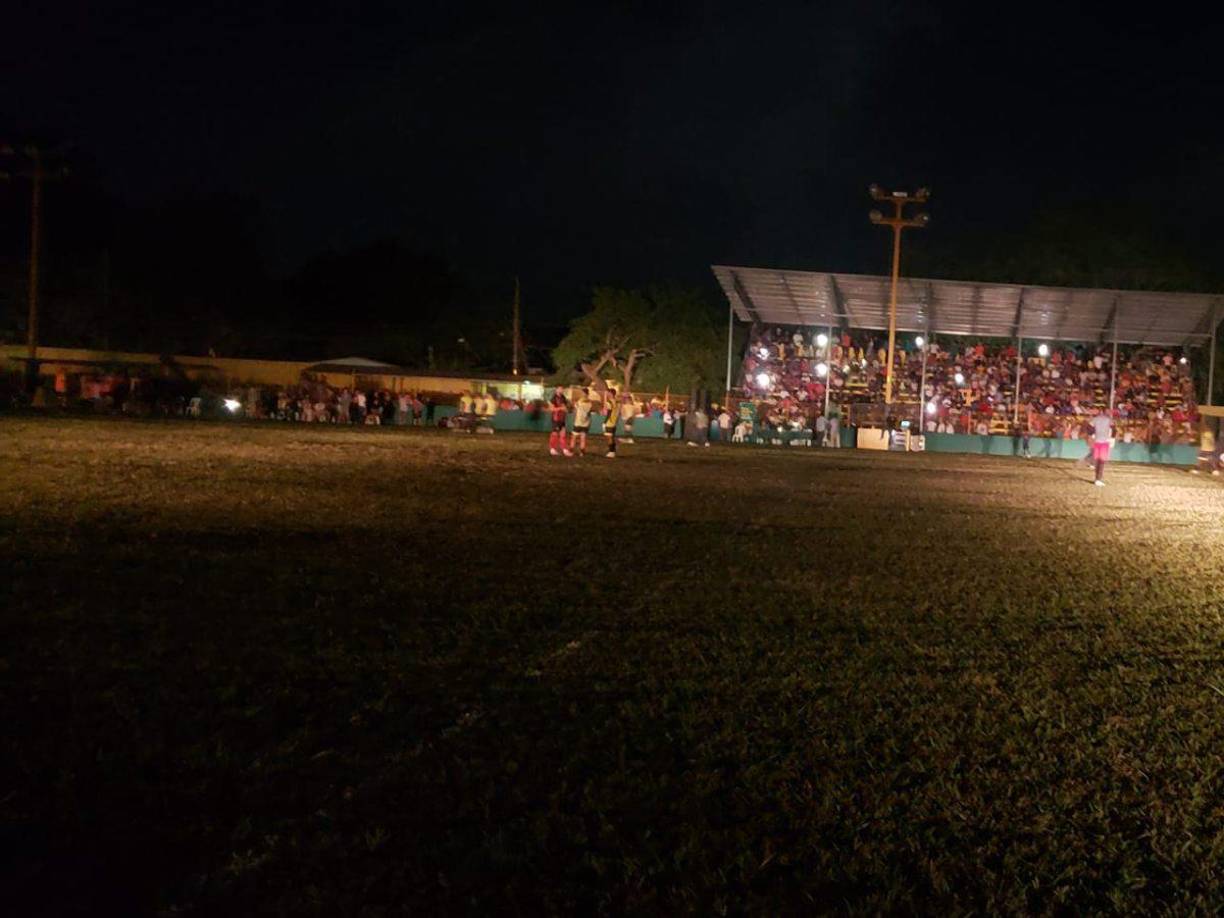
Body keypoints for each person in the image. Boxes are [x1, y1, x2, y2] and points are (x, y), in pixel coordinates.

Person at [1090, 407, 1113, 486]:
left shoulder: (1095, 419)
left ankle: (1097, 478)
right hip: (1104, 441)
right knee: (1102, 461)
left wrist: (1093, 434)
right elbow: (1114, 428)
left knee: (1097, 460)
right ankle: (1098, 479)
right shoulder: (1108, 419)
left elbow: (1089, 428)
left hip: (1097, 441)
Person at [548, 387, 572, 456]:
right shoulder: (553, 398)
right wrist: (561, 408)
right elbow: (552, 409)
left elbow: (566, 407)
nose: (562, 390)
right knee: (555, 434)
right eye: (560, 389)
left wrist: (567, 409)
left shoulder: (563, 398)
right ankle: (552, 449)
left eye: (562, 389)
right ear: (556, 390)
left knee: (563, 435)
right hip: (556, 419)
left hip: (562, 419)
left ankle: (564, 450)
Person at [570, 388, 593, 456]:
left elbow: (576, 409)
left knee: (574, 437)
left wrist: (574, 404)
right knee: (583, 437)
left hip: (578, 421)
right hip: (586, 422)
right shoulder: (590, 402)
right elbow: (589, 412)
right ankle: (582, 452)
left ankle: (571, 450)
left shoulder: (580, 401)